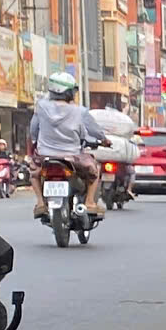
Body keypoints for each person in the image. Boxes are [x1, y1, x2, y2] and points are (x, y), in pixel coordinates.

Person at [29, 71, 105, 220]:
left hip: (45, 155)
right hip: (73, 157)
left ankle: (40, 203)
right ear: (69, 92)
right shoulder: (80, 111)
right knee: (94, 172)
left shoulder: (41, 107)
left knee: (34, 174)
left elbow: (33, 129)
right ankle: (89, 202)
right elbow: (95, 131)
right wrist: (104, 140)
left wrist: (35, 141)